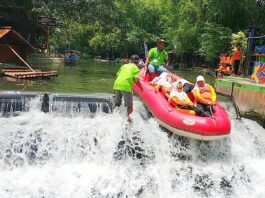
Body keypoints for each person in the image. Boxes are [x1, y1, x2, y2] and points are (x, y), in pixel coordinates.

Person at [113, 55, 141, 120]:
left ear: (130, 60)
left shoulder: (123, 66)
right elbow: (136, 80)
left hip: (117, 85)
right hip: (126, 86)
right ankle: (129, 121)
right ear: (138, 61)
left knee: (117, 104)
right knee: (129, 106)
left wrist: (114, 87)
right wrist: (142, 89)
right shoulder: (136, 68)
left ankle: (114, 117)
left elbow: (117, 76)